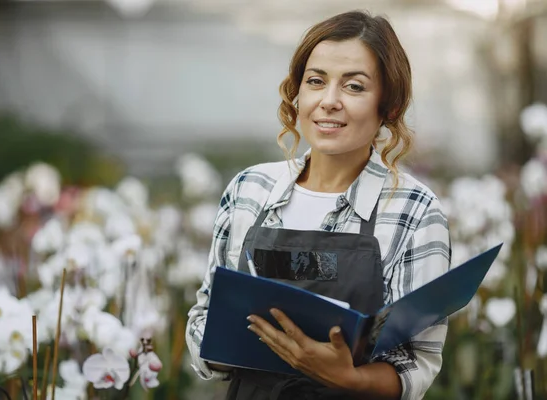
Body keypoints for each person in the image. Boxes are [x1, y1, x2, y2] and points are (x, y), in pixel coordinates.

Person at [185, 10, 451, 400]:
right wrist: (232, 346)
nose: (329, 101)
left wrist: (349, 377)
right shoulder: (250, 190)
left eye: (354, 87)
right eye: (315, 82)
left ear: (389, 106)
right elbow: (202, 319)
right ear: (297, 93)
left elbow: (419, 360)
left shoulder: (414, 211)